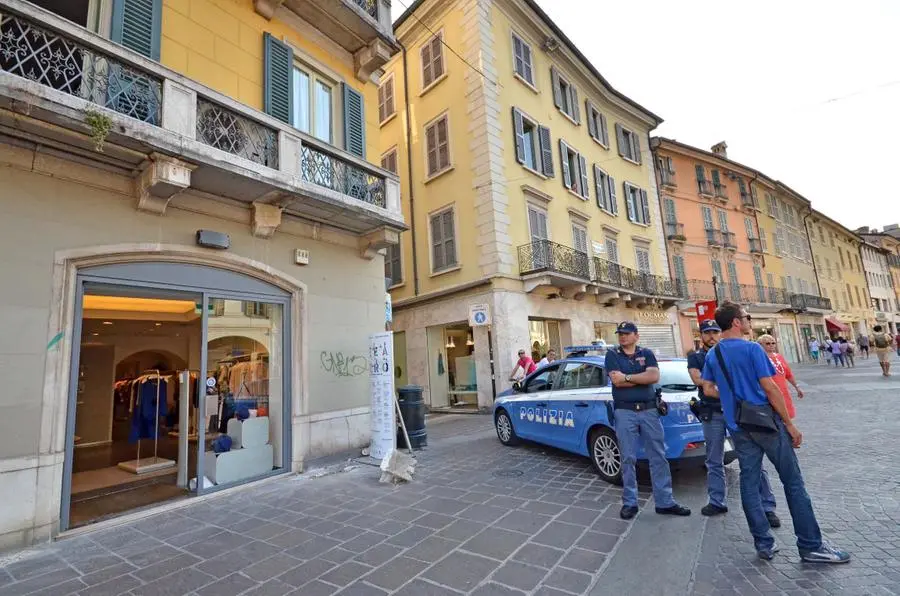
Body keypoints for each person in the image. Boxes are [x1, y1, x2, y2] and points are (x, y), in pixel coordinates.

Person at [700, 302, 850, 563]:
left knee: (750, 482)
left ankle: (764, 543)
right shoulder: (751, 349)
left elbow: (707, 387)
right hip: (766, 423)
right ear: (736, 322)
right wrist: (789, 424)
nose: (748, 321)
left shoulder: (714, 354)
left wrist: (730, 397)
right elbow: (770, 387)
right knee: (793, 482)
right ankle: (811, 545)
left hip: (738, 426)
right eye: (746, 317)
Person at [688, 321, 779, 522]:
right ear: (701, 335)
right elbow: (699, 381)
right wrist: (726, 388)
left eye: (715, 332)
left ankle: (767, 505)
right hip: (712, 413)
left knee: (753, 458)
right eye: (707, 333)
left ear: (721, 332)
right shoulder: (696, 357)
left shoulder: (731, 352)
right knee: (713, 459)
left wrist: (716, 385)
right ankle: (717, 501)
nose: (711, 336)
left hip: (738, 412)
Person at [605, 321, 690, 520]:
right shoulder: (612, 355)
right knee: (627, 458)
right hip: (625, 412)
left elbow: (653, 377)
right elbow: (616, 380)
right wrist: (636, 378)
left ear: (636, 335)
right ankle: (630, 502)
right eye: (620, 334)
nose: (623, 337)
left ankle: (665, 502)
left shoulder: (647, 353)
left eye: (627, 333)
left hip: (649, 410)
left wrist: (627, 378)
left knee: (658, 456)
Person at [757, 335, 804, 418]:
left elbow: (788, 374)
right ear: (761, 345)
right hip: (769, 393)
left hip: (783, 392)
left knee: (787, 416)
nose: (771, 345)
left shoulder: (779, 357)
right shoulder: (759, 358)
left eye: (773, 343)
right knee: (775, 417)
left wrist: (797, 387)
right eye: (768, 343)